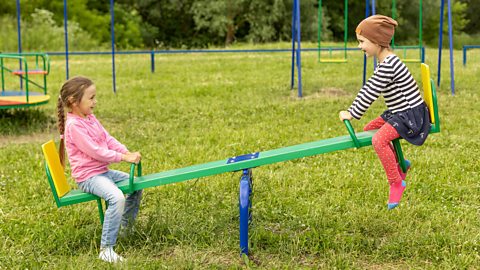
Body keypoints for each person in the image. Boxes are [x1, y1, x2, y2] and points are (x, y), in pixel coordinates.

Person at [339, 15, 431, 210]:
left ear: (377, 42)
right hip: (400, 111)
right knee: (369, 129)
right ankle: (401, 162)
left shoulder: (388, 65)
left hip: (409, 115)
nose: (359, 47)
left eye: (362, 42)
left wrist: (352, 112)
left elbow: (370, 91)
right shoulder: (386, 61)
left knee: (378, 140)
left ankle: (396, 182)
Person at [57, 76, 143, 263]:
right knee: (116, 197)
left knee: (135, 185)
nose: (95, 102)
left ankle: (125, 231)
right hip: (89, 177)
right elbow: (96, 152)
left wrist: (125, 150)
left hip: (102, 172)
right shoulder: (74, 126)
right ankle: (106, 249)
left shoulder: (90, 117)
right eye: (91, 98)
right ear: (73, 101)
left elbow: (107, 138)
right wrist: (122, 158)